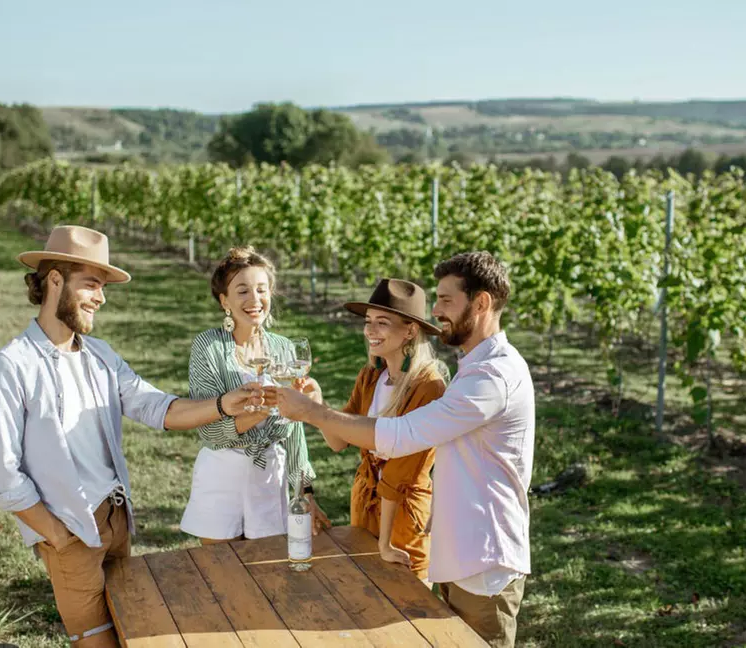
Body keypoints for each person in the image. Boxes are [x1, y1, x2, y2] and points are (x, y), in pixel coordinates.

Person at [0, 225, 264, 648]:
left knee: (132, 635)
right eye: (92, 284)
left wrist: (224, 404)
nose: (101, 297)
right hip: (69, 532)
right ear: (55, 280)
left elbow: (156, 406)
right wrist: (57, 535)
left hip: (116, 520)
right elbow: (3, 478)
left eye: (103, 286)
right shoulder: (9, 369)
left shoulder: (100, 357)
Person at [276, 252, 534, 648]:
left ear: (480, 303)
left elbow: (402, 437)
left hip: (483, 561)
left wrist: (312, 412)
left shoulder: (491, 376)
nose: (437, 309)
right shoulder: (473, 366)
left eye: (447, 299)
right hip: (460, 551)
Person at [179, 246, 330, 545]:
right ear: (225, 301)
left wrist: (304, 490)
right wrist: (258, 414)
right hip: (222, 477)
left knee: (267, 573)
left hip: (269, 478)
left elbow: (294, 432)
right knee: (221, 577)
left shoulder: (285, 349)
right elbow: (210, 432)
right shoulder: (208, 347)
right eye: (242, 291)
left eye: (261, 289)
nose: (254, 299)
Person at [330, 278, 446, 579]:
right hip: (365, 501)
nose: (370, 330)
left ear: (410, 330)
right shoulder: (371, 376)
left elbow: (400, 473)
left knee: (407, 603)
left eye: (382, 322)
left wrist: (384, 543)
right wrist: (314, 404)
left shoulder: (428, 387)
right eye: (368, 322)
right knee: (364, 593)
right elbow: (338, 442)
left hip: (403, 513)